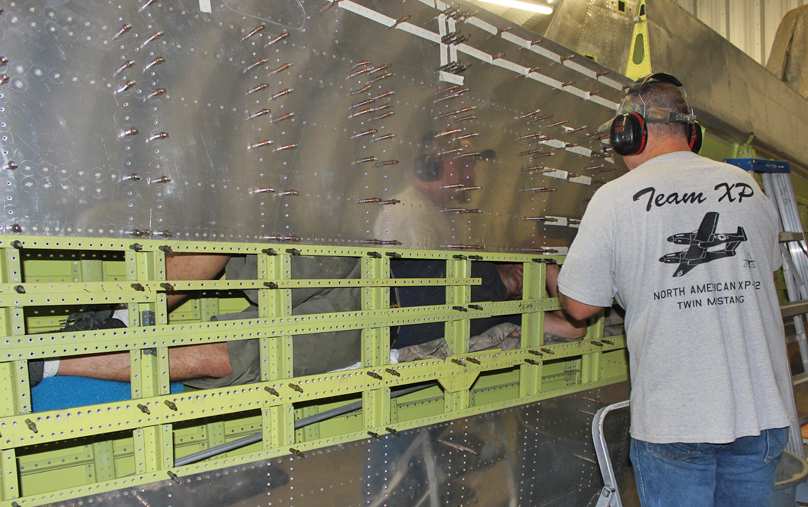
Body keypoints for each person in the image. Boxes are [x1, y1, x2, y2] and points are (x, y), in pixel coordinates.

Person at [556, 73, 792, 506]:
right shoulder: (748, 189)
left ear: (629, 132)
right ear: (692, 132)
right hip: (761, 414)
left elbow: (579, 304)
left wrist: (557, 277)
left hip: (677, 421)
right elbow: (762, 273)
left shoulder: (616, 198)